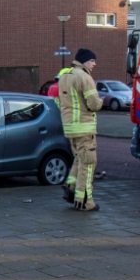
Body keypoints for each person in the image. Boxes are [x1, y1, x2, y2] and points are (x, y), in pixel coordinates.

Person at [58, 48, 103, 211]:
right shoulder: (84, 77)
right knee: (89, 163)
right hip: (84, 128)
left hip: (70, 128)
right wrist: (101, 102)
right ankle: (84, 201)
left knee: (79, 159)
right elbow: (93, 104)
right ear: (84, 60)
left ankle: (70, 188)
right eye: (92, 60)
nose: (94, 64)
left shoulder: (64, 76)